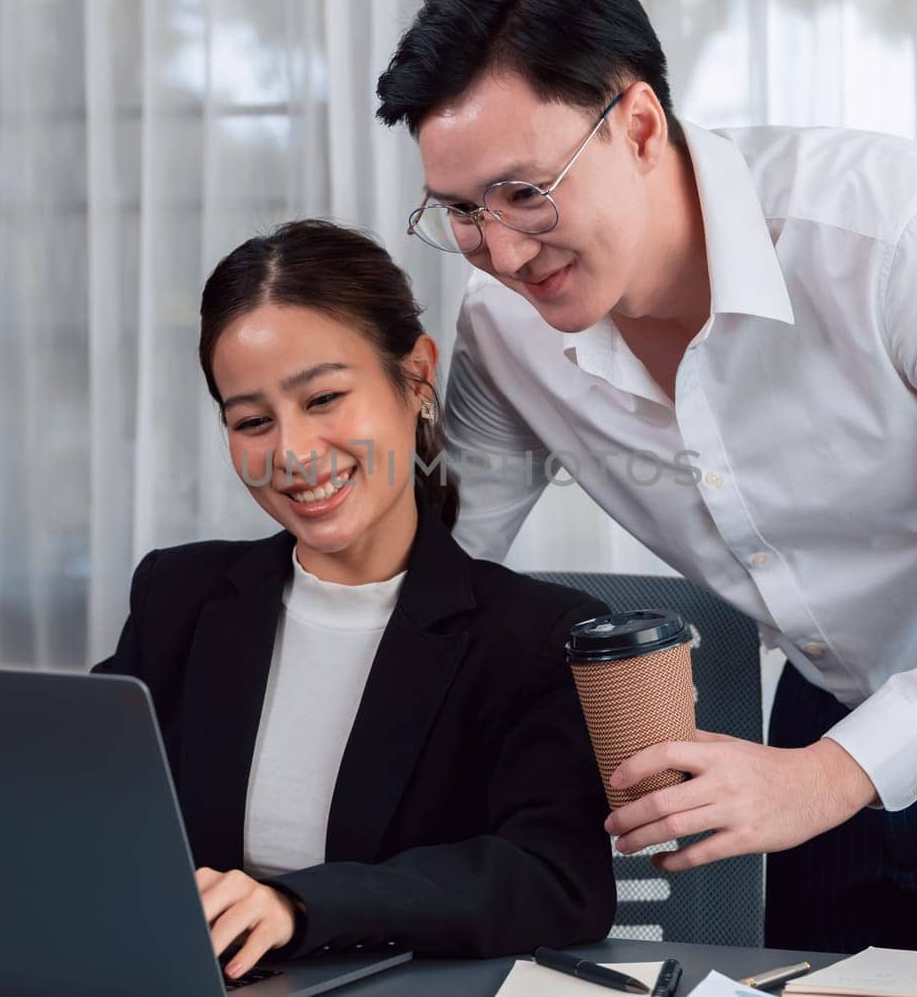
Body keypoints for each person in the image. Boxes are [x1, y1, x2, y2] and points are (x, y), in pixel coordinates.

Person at [375, 0, 917, 972]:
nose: (502, 249)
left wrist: (826, 776)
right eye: (460, 212)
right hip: (823, 699)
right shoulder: (506, 333)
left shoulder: (900, 236)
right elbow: (451, 588)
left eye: (525, 191)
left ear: (635, 124)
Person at [92, 220, 616, 980]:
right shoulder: (180, 595)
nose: (294, 453)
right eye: (252, 421)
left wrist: (298, 906)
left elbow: (555, 878)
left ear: (415, 379)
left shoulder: (533, 636)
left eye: (325, 397)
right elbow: (79, 804)